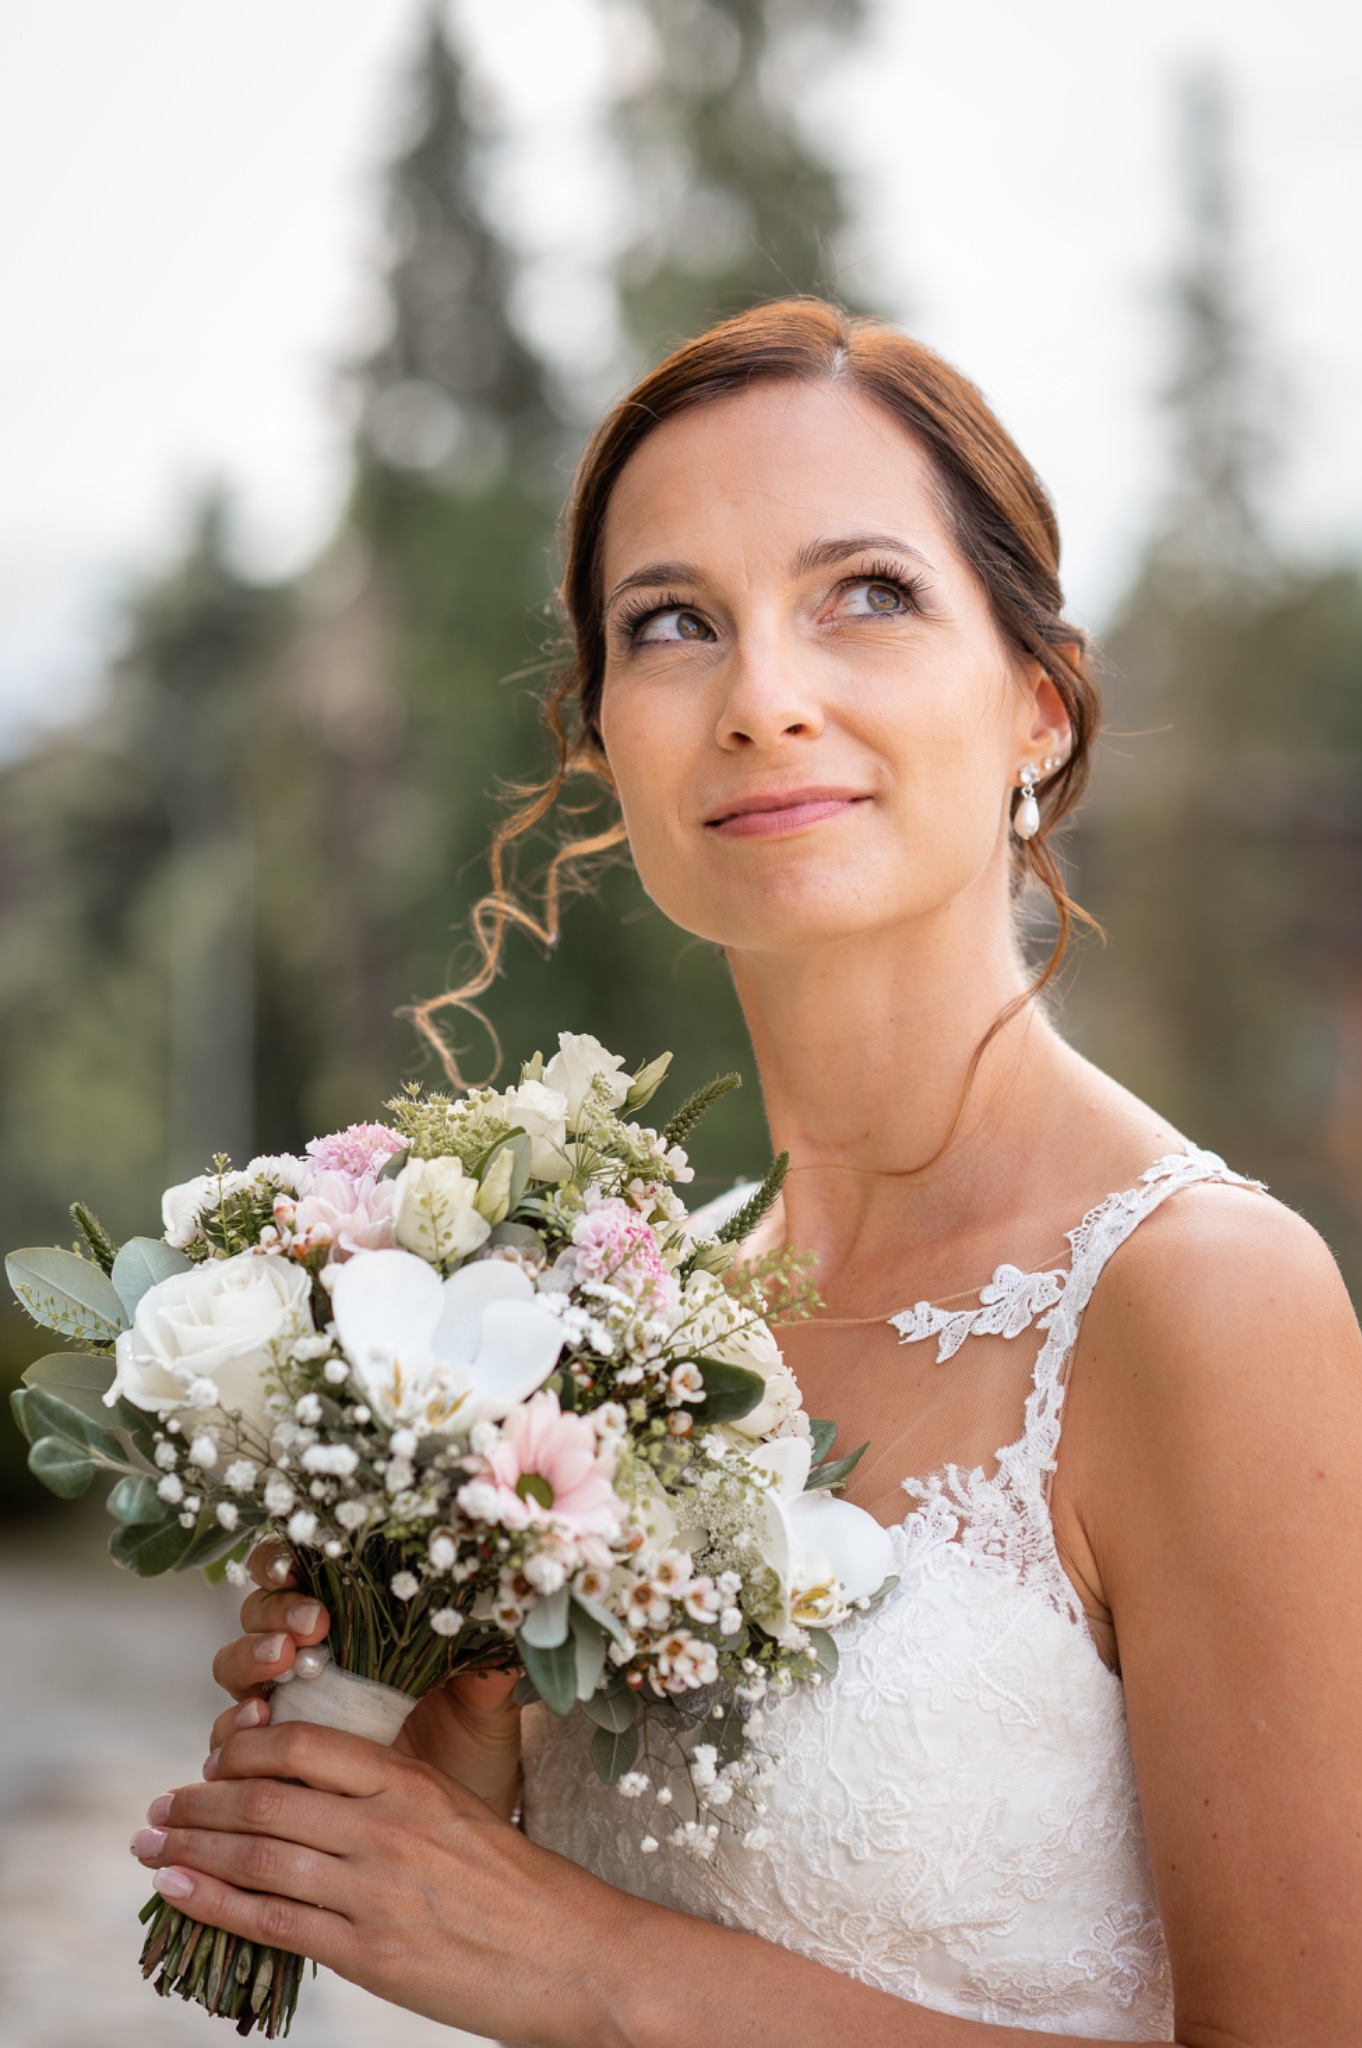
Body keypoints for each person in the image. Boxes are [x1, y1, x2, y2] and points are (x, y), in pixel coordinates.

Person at [130, 300, 1362, 2044]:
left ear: (1035, 701)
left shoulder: (1199, 1301)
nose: (764, 699)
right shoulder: (630, 1321)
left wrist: (575, 1962)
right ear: (602, 740)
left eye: (865, 593)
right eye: (674, 624)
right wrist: (442, 1745)